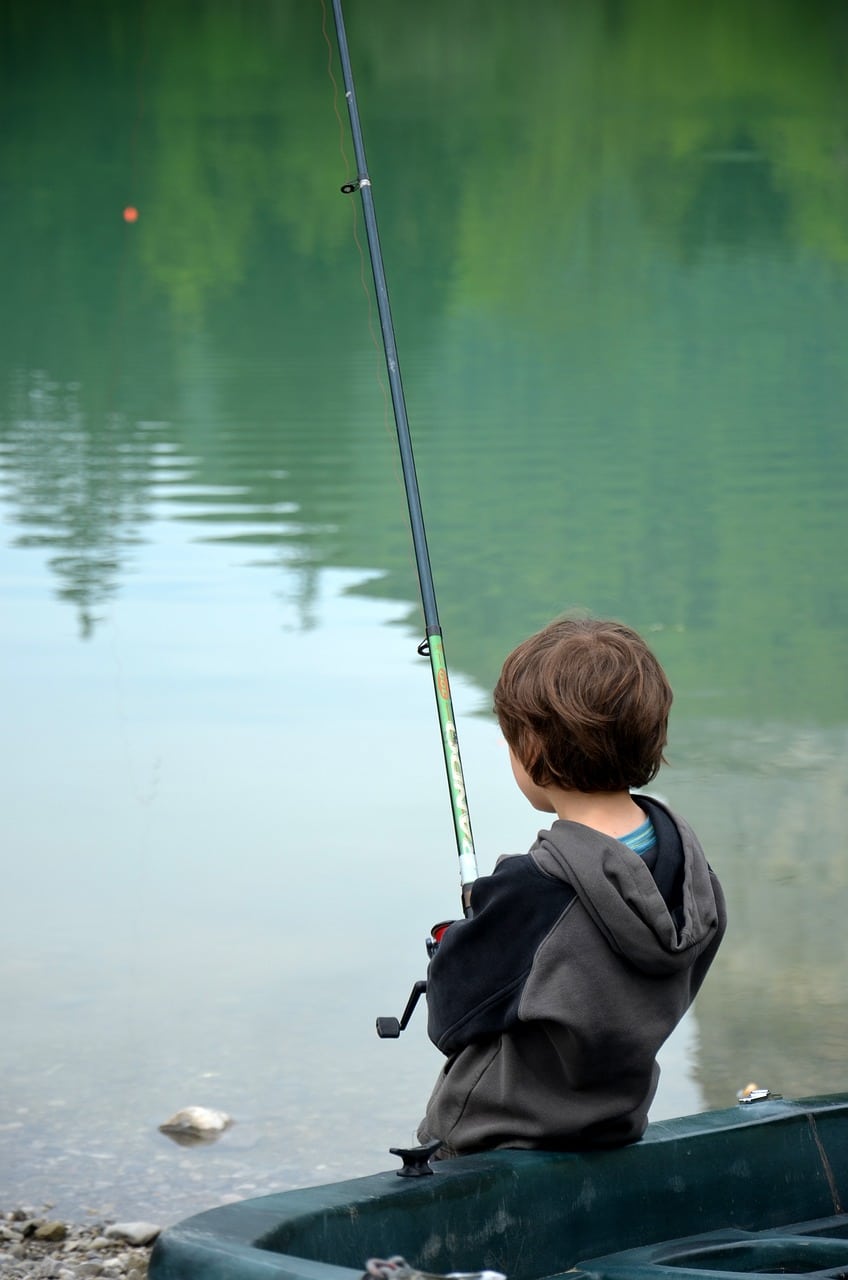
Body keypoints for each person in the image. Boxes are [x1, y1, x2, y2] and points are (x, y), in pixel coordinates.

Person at [417, 616, 726, 1157]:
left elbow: (449, 1023)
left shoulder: (530, 893)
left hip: (489, 1143)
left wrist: (465, 937)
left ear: (532, 748)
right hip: (613, 1126)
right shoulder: (695, 882)